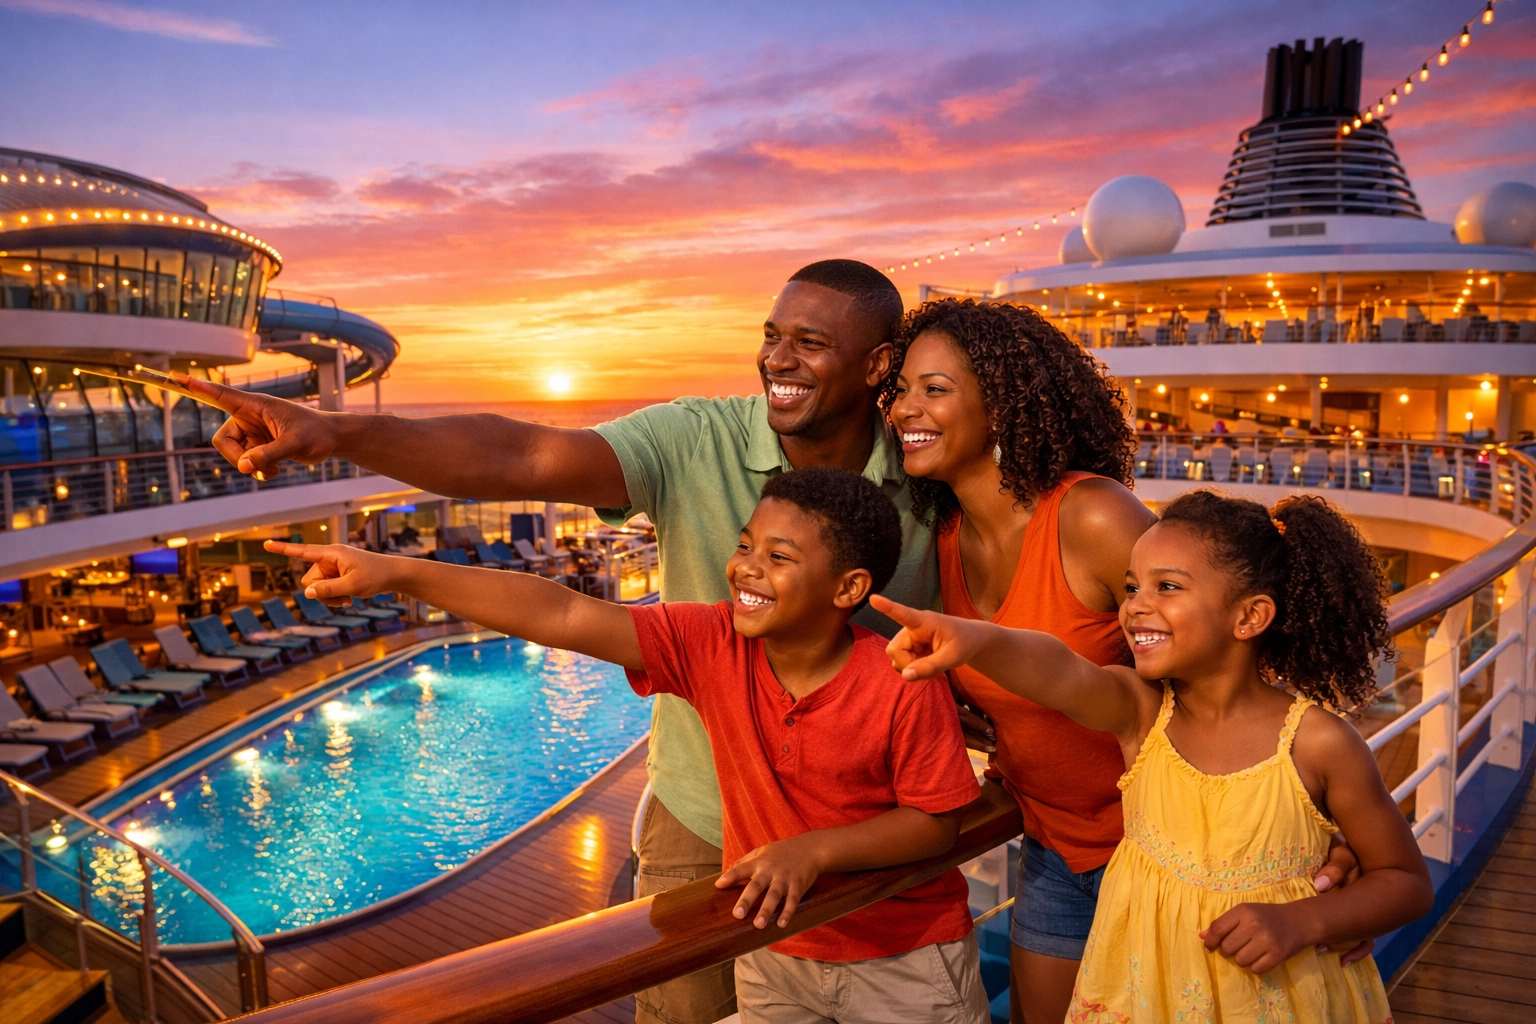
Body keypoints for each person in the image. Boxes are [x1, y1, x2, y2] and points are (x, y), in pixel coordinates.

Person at [184, 259, 935, 1024]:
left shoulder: (925, 468)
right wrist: (335, 434)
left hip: (864, 829)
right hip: (707, 820)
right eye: (772, 335)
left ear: (877, 363)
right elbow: (523, 460)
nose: (777, 358)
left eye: (809, 342)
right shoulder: (694, 443)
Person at [267, 467, 988, 1024]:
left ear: (847, 587)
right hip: (776, 950)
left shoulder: (900, 677)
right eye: (744, 546)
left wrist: (816, 850)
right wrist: (398, 571)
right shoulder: (710, 642)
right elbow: (561, 610)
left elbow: (938, 820)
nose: (745, 568)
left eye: (778, 557)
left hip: (905, 954)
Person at [883, 298, 1365, 1024]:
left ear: (1004, 404)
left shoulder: (1092, 516)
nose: (904, 409)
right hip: (1054, 851)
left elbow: (1222, 651)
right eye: (901, 390)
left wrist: (1323, 822)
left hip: (1187, 856)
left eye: (934, 388)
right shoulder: (942, 539)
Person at [872, 490, 1434, 1023]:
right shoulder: (1142, 713)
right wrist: (975, 640)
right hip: (1145, 992)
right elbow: (1060, 670)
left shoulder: (1319, 743)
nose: (1135, 607)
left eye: (1166, 587)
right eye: (1132, 586)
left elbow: (1404, 880)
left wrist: (1306, 920)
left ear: (1250, 616)